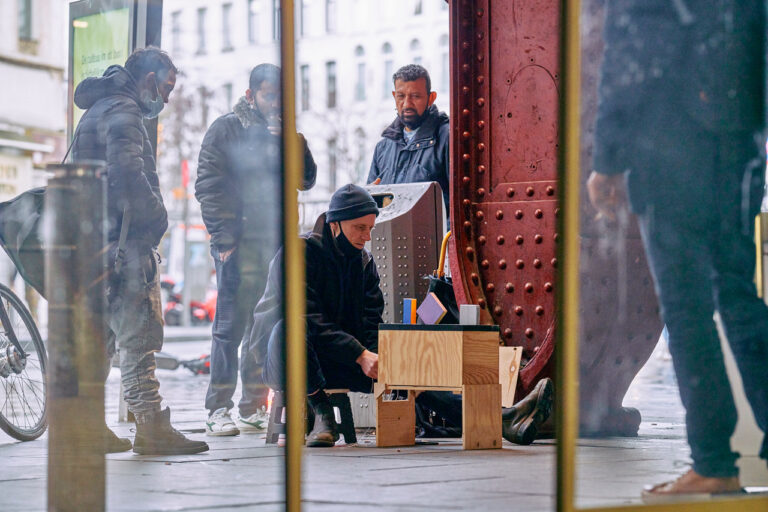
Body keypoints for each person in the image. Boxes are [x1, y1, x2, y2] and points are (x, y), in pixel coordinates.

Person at [587, 0, 768, 500]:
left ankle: (714, 464)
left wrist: (607, 159)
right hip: (740, 141)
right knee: (739, 298)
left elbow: (631, 51)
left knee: (687, 311)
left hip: (669, 145)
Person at [250, 184, 553, 447]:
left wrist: (388, 362)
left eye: (370, 228)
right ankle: (322, 412)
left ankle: (504, 419)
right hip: (283, 356)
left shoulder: (364, 263)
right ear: (335, 224)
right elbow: (307, 316)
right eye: (359, 228)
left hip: (336, 358)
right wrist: (359, 354)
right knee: (291, 326)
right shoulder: (300, 252)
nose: (366, 237)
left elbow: (371, 323)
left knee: (408, 373)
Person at [72, 47, 208, 455]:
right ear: (149, 80)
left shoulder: (99, 106)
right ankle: (151, 427)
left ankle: (90, 427)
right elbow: (128, 173)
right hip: (125, 244)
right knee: (138, 338)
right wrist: (157, 219)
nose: (165, 100)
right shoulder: (126, 111)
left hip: (94, 243)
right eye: (166, 89)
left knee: (103, 341)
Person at [196, 63, 317, 436]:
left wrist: (291, 144)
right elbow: (208, 184)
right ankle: (218, 409)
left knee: (263, 326)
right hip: (238, 244)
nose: (275, 102)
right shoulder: (227, 128)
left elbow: (307, 179)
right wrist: (223, 239)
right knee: (229, 328)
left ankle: (252, 405)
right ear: (251, 95)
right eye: (268, 94)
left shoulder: (284, 133)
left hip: (274, 245)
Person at [367, 64, 450, 215]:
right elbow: (370, 210)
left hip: (436, 238)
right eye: (401, 96)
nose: (406, 104)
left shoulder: (447, 137)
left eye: (415, 96)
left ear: (431, 98)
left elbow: (459, 205)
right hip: (389, 237)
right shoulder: (383, 147)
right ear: (394, 96)